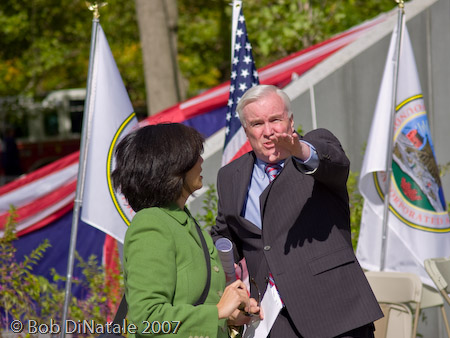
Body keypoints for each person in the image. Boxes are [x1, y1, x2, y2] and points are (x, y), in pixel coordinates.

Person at [211, 85, 383, 338]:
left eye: (275, 120)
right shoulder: (230, 176)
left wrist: (299, 150)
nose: (269, 131)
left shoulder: (313, 150)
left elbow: (334, 163)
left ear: (291, 121)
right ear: (246, 130)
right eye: (257, 124)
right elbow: (226, 234)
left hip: (336, 312)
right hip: (273, 317)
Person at [112, 123, 261, 338]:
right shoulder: (151, 224)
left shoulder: (183, 221)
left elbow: (190, 302)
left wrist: (228, 317)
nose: (201, 161)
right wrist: (217, 311)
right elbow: (146, 319)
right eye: (193, 157)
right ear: (171, 166)